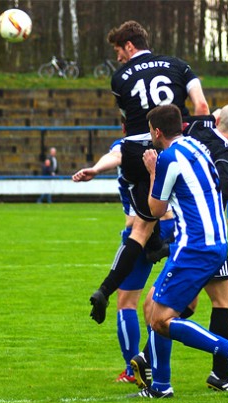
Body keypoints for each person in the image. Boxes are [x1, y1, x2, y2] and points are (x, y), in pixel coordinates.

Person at [87, 20, 209, 325]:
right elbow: (202, 107)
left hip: (135, 153)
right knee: (184, 212)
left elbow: (128, 125)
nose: (118, 57)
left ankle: (111, 284)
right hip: (171, 147)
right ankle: (167, 252)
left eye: (118, 50)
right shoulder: (180, 66)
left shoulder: (119, 78)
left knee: (139, 226)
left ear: (129, 46)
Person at [129, 104, 228, 398]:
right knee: (155, 309)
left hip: (194, 246)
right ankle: (160, 386)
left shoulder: (168, 159)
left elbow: (156, 209)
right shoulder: (196, 145)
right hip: (214, 241)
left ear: (157, 132)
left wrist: (151, 171)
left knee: (160, 319)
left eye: (151, 131)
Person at [72, 137, 176, 385]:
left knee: (128, 302)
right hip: (175, 224)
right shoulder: (167, 142)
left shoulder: (128, 144)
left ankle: (134, 370)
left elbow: (116, 156)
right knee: (169, 304)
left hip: (141, 228)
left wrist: (96, 169)